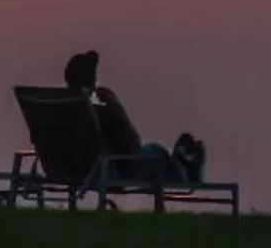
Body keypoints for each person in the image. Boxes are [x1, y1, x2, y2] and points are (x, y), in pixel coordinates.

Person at [62, 50, 206, 185]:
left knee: (155, 157)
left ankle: (180, 165)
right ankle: (184, 172)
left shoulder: (60, 108)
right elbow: (131, 139)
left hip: (66, 169)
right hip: (113, 168)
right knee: (159, 153)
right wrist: (111, 102)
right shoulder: (99, 106)